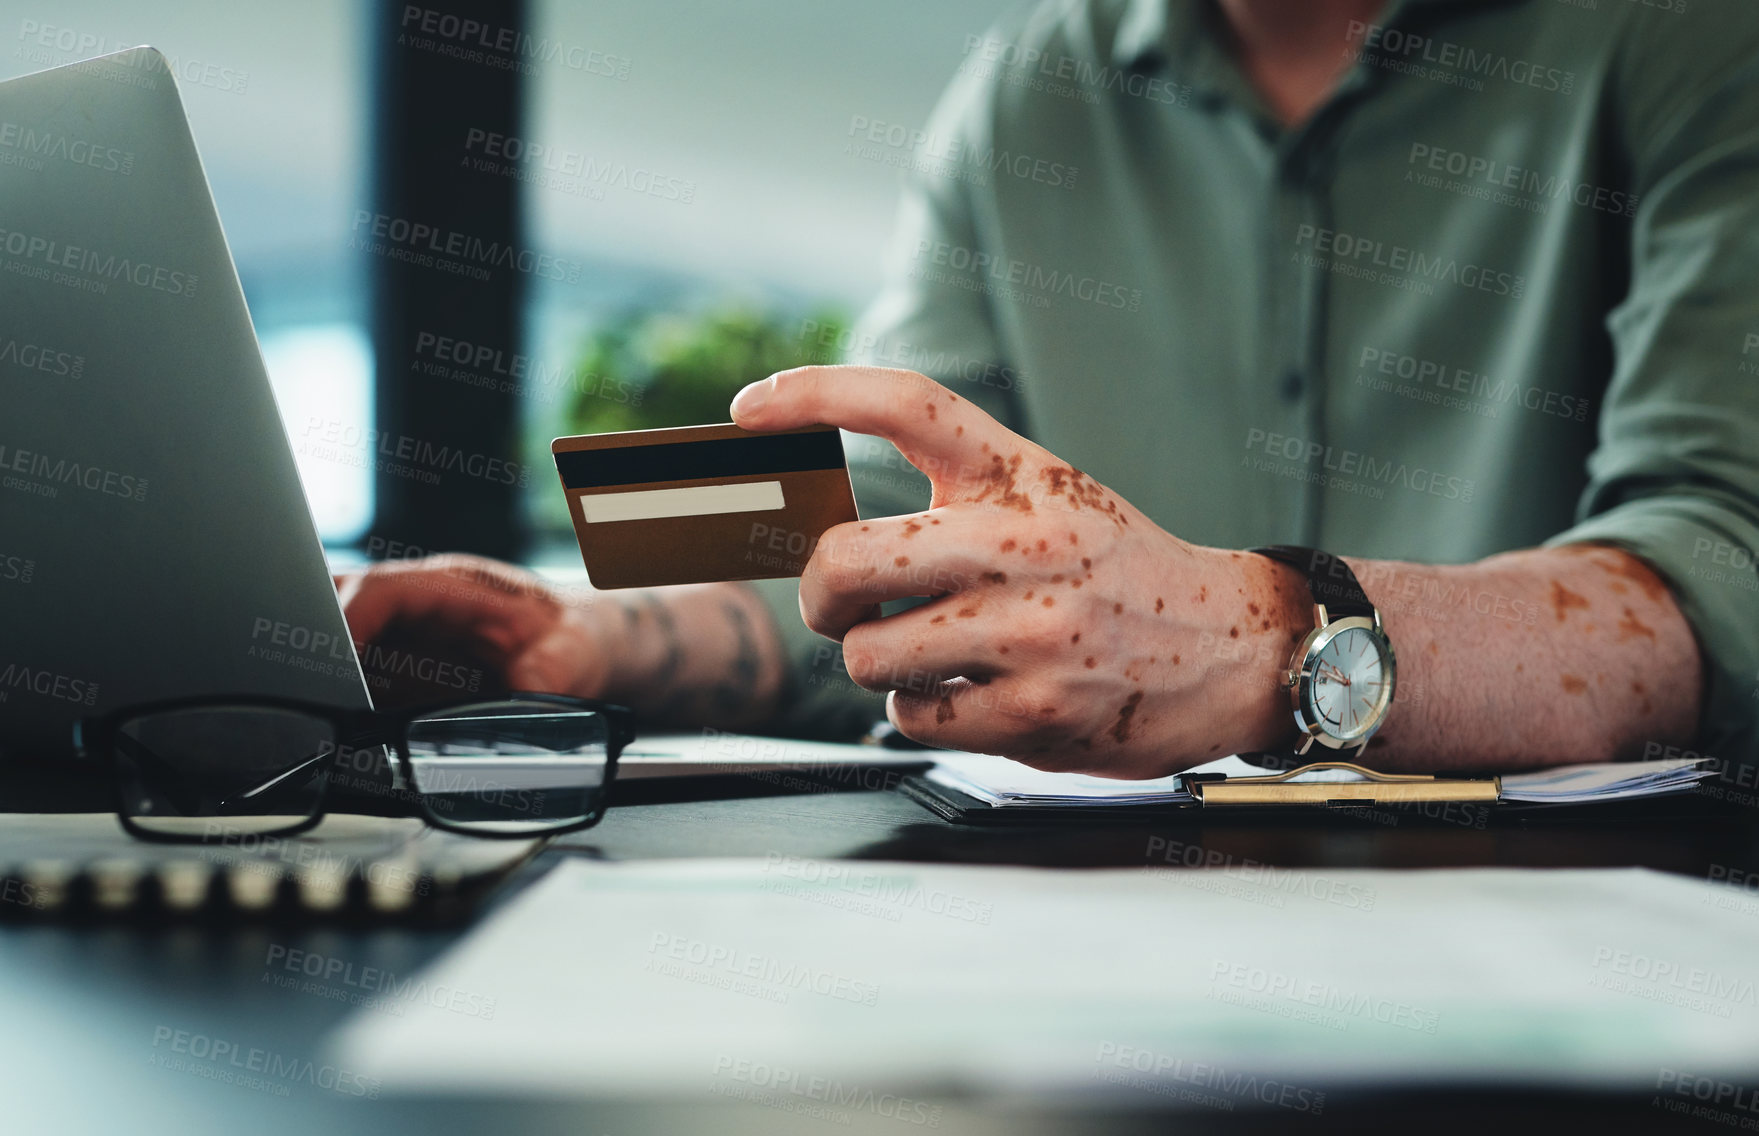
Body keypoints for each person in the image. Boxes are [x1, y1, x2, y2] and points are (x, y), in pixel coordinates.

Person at [336, 0, 1759, 777]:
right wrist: (586, 637)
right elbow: (887, 526)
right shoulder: (1021, 92)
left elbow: (1724, 573)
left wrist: (1270, 642)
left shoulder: (1698, 42)